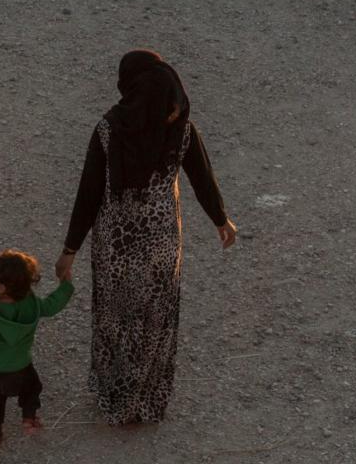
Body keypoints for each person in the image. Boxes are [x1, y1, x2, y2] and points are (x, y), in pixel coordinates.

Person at [54, 49, 237, 425]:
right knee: (156, 317)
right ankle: (148, 398)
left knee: (116, 315)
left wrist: (70, 249)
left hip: (115, 244)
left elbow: (88, 194)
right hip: (162, 244)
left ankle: (117, 397)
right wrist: (221, 220)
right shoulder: (180, 128)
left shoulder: (109, 129)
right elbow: (202, 178)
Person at [0, 250, 74, 452]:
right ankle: (29, 417)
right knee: (31, 389)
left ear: (3, 287)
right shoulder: (32, 305)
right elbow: (52, 305)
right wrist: (66, 285)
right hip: (21, 366)